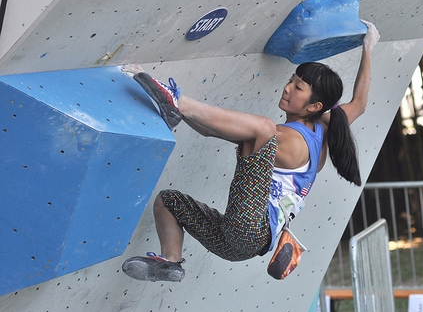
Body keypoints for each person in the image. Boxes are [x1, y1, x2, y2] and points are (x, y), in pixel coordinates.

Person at [121, 20, 380, 282]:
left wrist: (179, 106)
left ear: (315, 106)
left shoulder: (290, 140)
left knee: (264, 128)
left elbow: (230, 129)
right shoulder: (325, 128)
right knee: (169, 201)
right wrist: (368, 48)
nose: (287, 88)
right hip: (237, 244)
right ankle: (170, 263)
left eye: (298, 87)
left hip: (251, 227)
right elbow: (358, 104)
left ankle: (177, 100)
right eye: (291, 80)